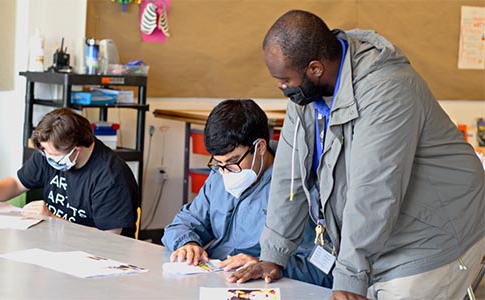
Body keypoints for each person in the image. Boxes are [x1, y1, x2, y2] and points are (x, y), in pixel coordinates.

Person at [228, 10, 485, 300]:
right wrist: (273, 255)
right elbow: (289, 175)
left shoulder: (387, 89)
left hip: (434, 237)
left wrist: (350, 278)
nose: (281, 86)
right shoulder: (306, 94)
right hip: (384, 237)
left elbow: (374, 190)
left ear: (315, 69)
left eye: (285, 79)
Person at [162, 99, 333, 288]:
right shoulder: (219, 177)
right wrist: (188, 244)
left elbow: (325, 266)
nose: (225, 172)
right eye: (219, 164)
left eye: (232, 162)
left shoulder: (297, 186)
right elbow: (182, 222)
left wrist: (267, 264)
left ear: (259, 147)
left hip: (269, 287)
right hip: (217, 282)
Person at [0, 108, 139, 238]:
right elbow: (16, 183)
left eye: (53, 155)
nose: (48, 159)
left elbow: (110, 239)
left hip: (100, 260)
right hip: (55, 246)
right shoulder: (49, 154)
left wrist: (53, 220)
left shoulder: (111, 177)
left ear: (76, 149)